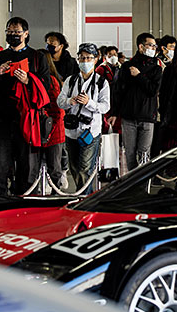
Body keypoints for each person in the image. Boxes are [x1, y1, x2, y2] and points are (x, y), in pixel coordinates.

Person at [0, 17, 51, 195]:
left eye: (16, 32)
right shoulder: (0, 56)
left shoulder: (37, 57)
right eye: (9, 32)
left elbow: (46, 85)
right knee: (0, 165)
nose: (13, 35)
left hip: (28, 119)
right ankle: (0, 204)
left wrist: (29, 80)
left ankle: (27, 202)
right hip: (3, 119)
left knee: (27, 166)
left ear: (26, 34)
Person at [58, 43, 110, 194]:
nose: (85, 61)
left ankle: (84, 197)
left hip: (90, 132)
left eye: (89, 58)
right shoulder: (71, 80)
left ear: (95, 60)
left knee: (85, 168)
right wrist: (70, 101)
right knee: (74, 167)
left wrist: (89, 103)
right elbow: (59, 101)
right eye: (82, 58)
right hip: (71, 131)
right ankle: (83, 194)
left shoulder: (102, 82)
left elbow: (105, 107)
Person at [113, 33, 163, 170]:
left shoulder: (156, 69)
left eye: (154, 46)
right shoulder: (127, 66)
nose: (153, 48)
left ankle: (143, 182)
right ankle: (131, 181)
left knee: (144, 152)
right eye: (150, 45)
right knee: (129, 152)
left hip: (147, 116)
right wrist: (115, 112)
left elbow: (153, 90)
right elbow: (119, 90)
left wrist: (139, 76)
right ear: (141, 47)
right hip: (128, 116)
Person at [40, 50, 68, 190]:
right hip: (42, 128)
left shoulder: (51, 80)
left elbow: (58, 110)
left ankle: (56, 194)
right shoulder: (39, 78)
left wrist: (50, 129)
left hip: (53, 129)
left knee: (54, 166)